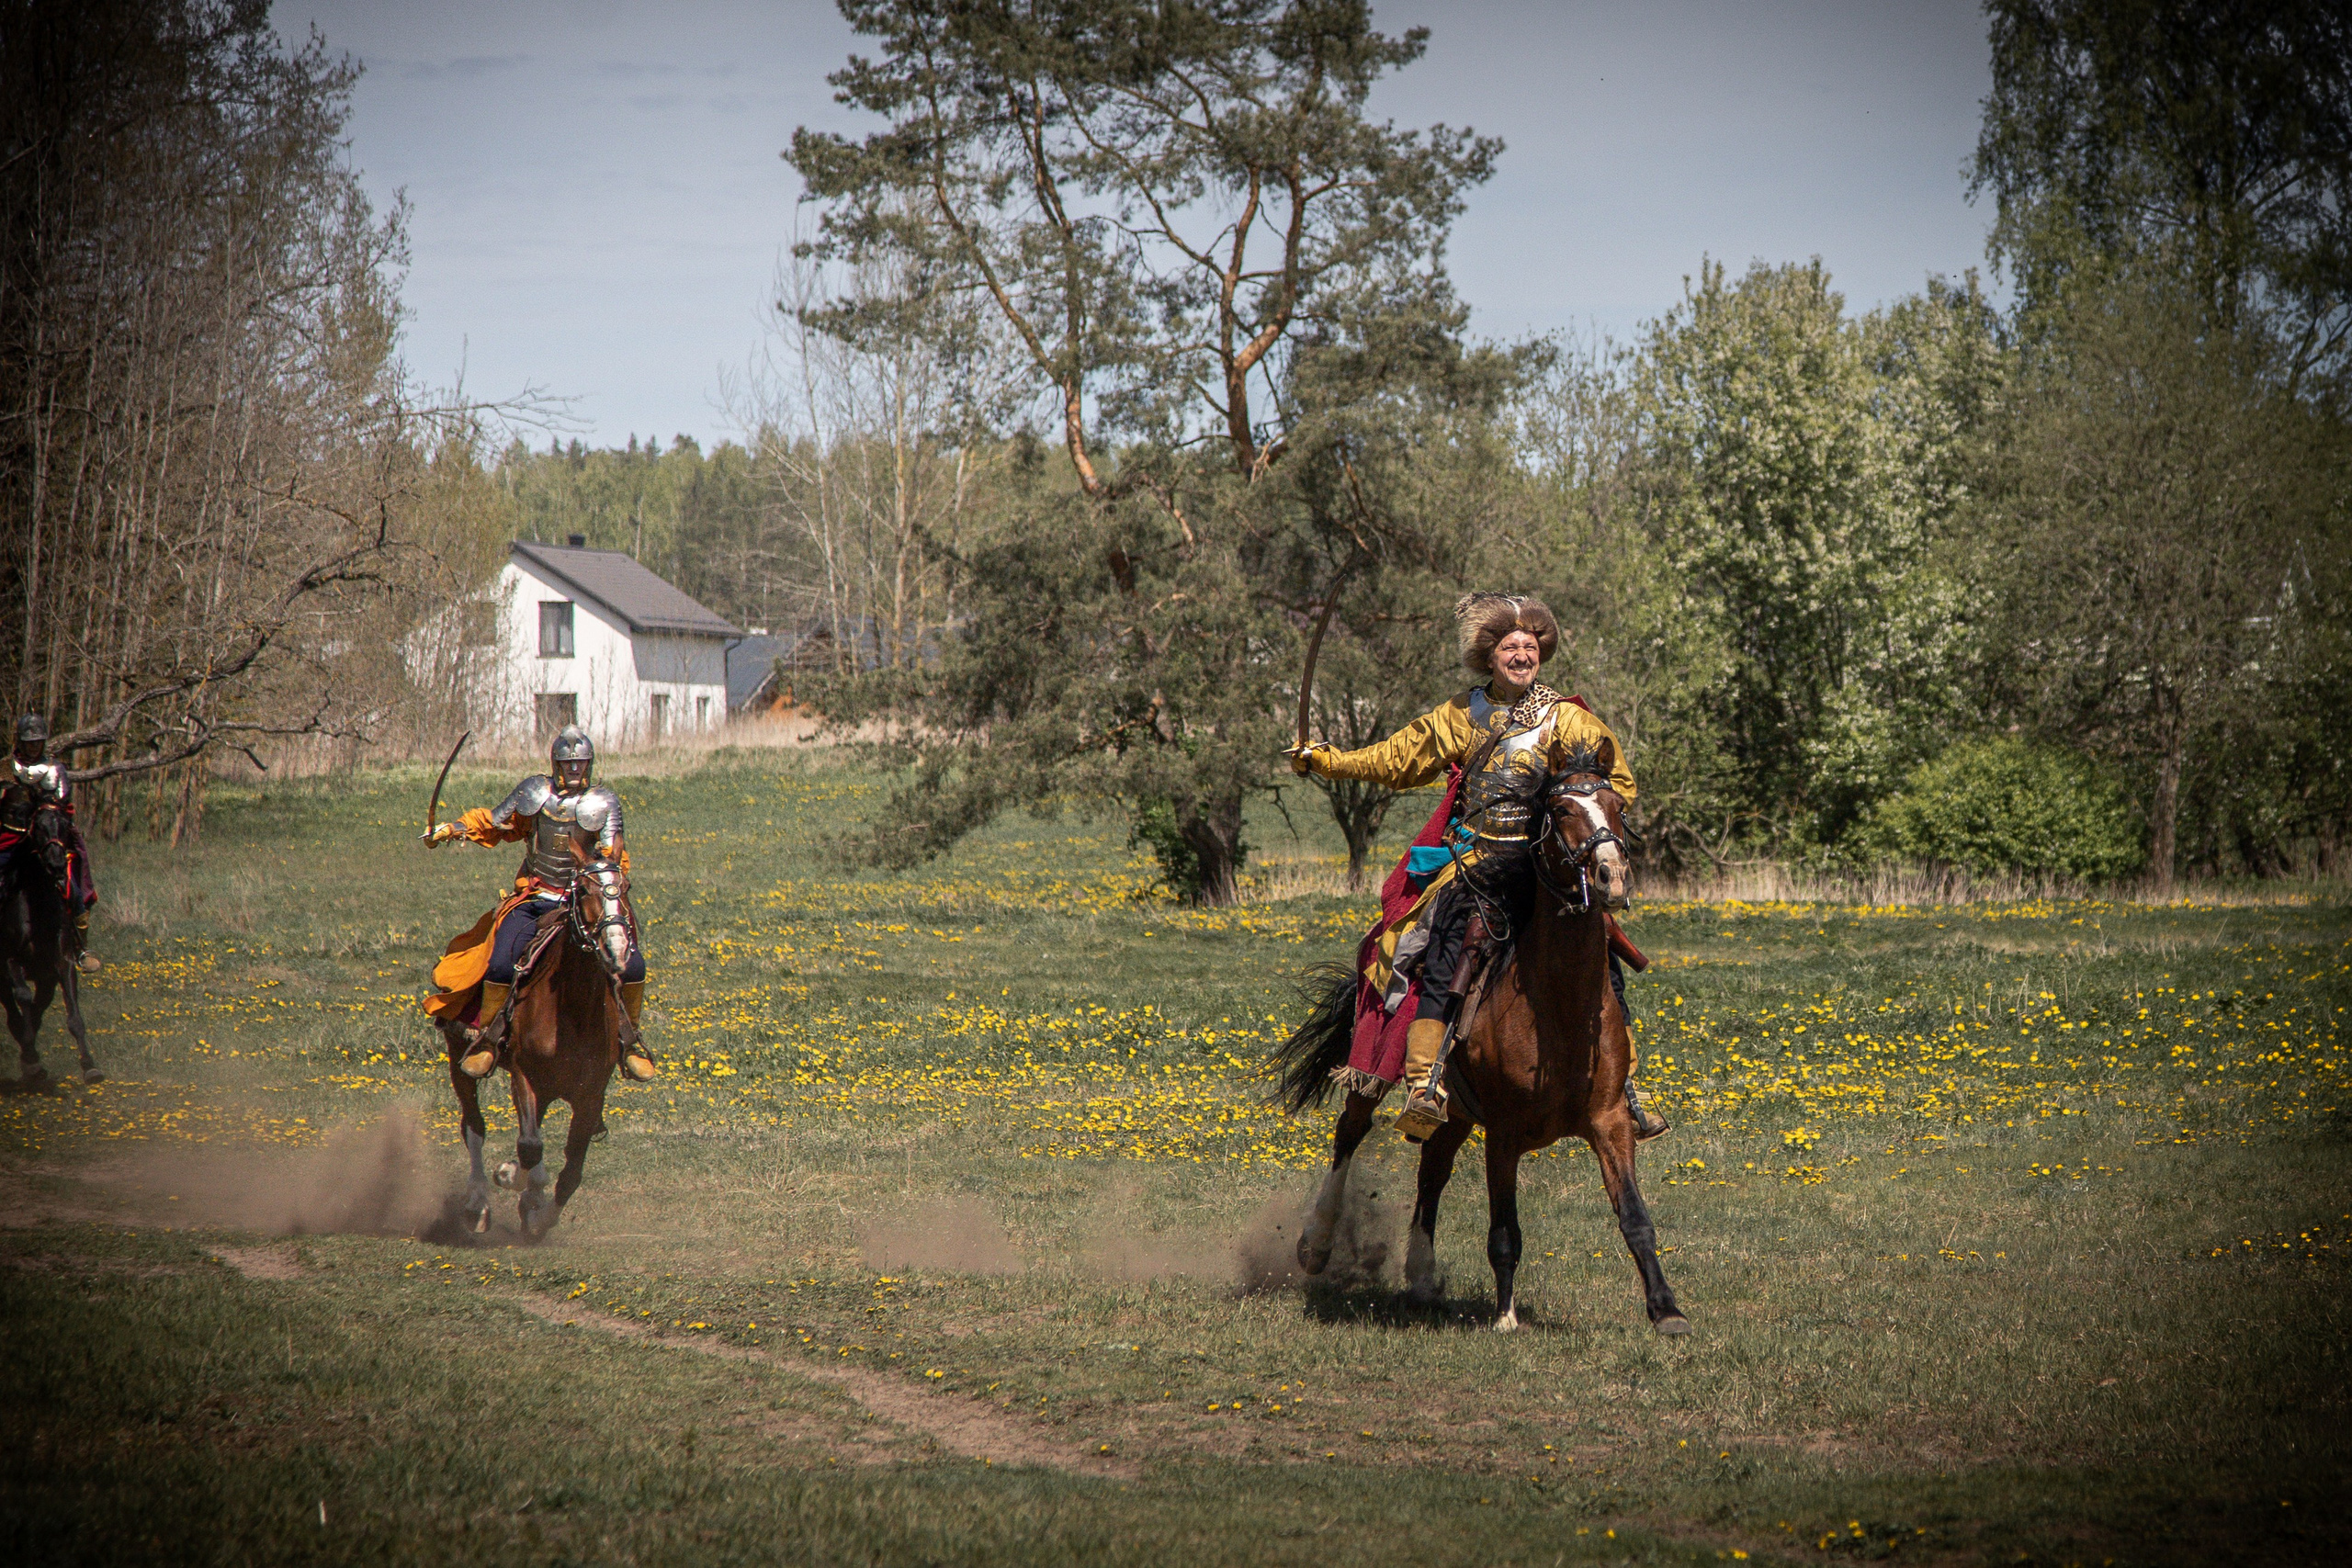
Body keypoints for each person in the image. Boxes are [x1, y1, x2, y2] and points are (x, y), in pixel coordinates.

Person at [1290, 592, 1666, 1142]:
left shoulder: (1570, 720)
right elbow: (1395, 758)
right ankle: (1425, 1084)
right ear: (1489, 656)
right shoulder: (1459, 716)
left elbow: (1615, 786)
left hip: (1547, 871)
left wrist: (1585, 818)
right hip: (1476, 865)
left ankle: (1627, 1085)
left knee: (1600, 956)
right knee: (1441, 948)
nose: (1522, 654)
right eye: (1510, 646)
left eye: (1530, 645)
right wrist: (1329, 760)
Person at [423, 726, 654, 1083]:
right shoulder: (534, 791)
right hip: (536, 897)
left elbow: (612, 855)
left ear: (589, 764)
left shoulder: (603, 802)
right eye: (568, 763)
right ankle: (488, 1039)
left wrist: (605, 886)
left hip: (586, 901)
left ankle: (630, 1043)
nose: (574, 769)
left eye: (580, 763)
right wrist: (453, 829)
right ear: (556, 763)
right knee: (500, 961)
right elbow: (495, 822)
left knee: (633, 964)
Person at [0, 714, 101, 973]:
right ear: (20, 742)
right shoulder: (4, 767)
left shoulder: (56, 769)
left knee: (72, 889)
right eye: (29, 741)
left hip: (44, 839)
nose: (34, 746)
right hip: (10, 838)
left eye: (38, 741)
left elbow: (61, 802)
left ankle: (80, 948)